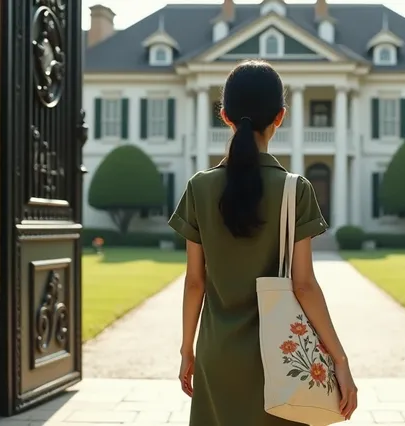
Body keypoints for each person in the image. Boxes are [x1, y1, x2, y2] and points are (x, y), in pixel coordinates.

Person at [168, 60, 358, 426]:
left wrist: (187, 349)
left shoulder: (199, 187)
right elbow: (303, 285)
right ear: (280, 117)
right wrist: (340, 359)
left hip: (216, 353)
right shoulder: (295, 189)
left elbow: (195, 282)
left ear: (224, 116)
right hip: (281, 358)